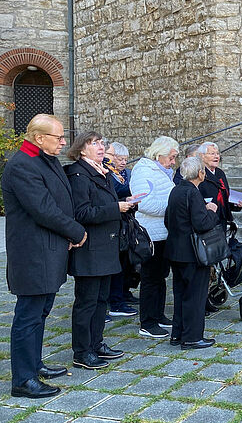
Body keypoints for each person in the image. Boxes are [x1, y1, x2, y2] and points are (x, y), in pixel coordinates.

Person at [2, 115, 86, 398]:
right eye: (59, 138)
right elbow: (43, 209)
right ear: (39, 138)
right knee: (28, 315)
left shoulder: (43, 159)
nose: (64, 142)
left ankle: (34, 364)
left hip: (49, 250)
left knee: (41, 312)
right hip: (33, 254)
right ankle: (23, 380)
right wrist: (75, 231)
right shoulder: (22, 166)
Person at [65, 132, 135, 368]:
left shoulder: (101, 171)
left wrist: (126, 204)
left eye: (102, 143)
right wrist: (116, 208)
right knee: (87, 302)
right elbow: (82, 212)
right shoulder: (79, 174)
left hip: (107, 246)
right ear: (82, 149)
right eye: (94, 143)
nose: (101, 147)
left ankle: (96, 344)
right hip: (89, 248)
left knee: (101, 300)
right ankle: (82, 352)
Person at [164, 157, 220, 349]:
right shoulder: (193, 193)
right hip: (192, 253)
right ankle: (192, 337)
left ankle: (178, 334)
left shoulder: (176, 190)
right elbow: (202, 224)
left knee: (181, 294)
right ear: (200, 174)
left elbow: (168, 220)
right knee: (195, 296)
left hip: (175, 250)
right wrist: (211, 211)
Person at [130, 135, 179, 339]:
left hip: (163, 232)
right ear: (159, 155)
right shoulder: (143, 171)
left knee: (160, 277)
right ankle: (147, 322)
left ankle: (158, 315)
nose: (174, 161)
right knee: (150, 279)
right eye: (172, 157)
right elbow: (144, 203)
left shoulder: (162, 171)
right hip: (150, 233)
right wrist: (173, 208)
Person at [104, 141, 139, 317]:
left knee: (126, 262)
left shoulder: (126, 173)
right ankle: (116, 300)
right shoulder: (108, 174)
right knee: (117, 263)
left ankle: (124, 293)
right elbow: (114, 192)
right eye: (120, 158)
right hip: (115, 220)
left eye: (126, 159)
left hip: (127, 221)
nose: (124, 162)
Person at [197, 141, 242, 226]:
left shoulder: (220, 173)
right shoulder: (198, 173)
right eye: (212, 154)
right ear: (202, 156)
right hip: (206, 220)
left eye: (217, 154)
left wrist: (236, 204)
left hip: (222, 219)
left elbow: (224, 197)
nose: (216, 156)